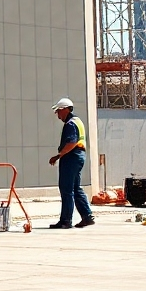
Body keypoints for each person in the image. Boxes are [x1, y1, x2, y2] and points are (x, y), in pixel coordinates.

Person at [47, 97, 94, 229]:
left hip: (71, 158)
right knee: (75, 188)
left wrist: (58, 156)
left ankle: (65, 221)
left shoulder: (70, 124)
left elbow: (72, 142)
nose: (57, 115)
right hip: (78, 157)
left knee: (66, 189)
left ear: (66, 110)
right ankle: (87, 216)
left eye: (59, 111)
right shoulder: (77, 121)